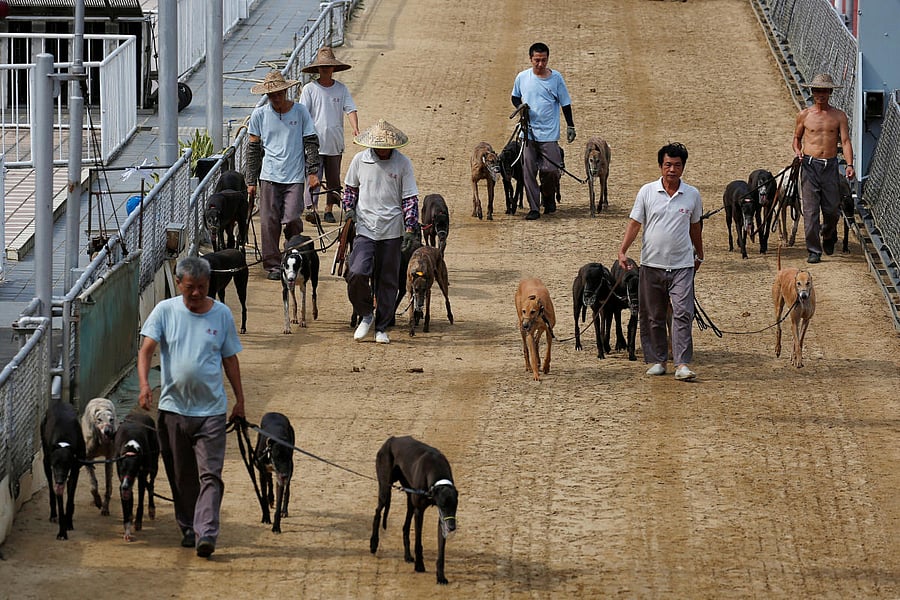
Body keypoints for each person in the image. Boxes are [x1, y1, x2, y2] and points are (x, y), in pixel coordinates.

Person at [137, 256, 246, 558]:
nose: (196, 294)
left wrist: (240, 400)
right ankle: (188, 525)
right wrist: (145, 385)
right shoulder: (164, 311)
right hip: (173, 410)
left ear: (208, 284)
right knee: (181, 474)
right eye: (189, 288)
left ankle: (206, 532)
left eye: (201, 287)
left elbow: (230, 359)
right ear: (178, 284)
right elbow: (146, 351)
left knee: (210, 475)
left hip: (211, 411)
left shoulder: (222, 315)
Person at [618, 142, 704, 382]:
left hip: (682, 266)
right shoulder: (647, 192)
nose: (672, 170)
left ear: (683, 167)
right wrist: (623, 250)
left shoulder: (692, 195)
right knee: (653, 314)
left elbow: (695, 227)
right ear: (660, 166)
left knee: (683, 312)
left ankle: (682, 363)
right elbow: (635, 223)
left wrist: (700, 253)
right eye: (668, 165)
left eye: (677, 165)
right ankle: (658, 360)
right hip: (651, 264)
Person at [342, 119, 419, 345]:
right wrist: (348, 211)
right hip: (365, 227)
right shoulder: (360, 160)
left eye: (387, 147)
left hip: (392, 229)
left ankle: (382, 326)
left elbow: (410, 198)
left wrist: (410, 227)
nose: (383, 151)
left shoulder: (403, 164)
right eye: (380, 147)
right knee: (356, 272)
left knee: (388, 280)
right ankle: (366, 313)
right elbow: (350, 190)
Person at [247, 71, 321, 280]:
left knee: (292, 219)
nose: (276, 99)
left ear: (285, 91)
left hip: (294, 176)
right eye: (271, 96)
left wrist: (313, 172)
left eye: (279, 94)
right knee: (269, 221)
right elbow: (253, 148)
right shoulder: (259, 114)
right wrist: (251, 181)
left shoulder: (300, 112)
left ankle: (292, 252)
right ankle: (272, 265)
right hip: (269, 175)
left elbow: (311, 141)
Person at [792, 72, 855, 264]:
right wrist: (798, 151)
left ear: (829, 93)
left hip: (830, 166)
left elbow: (845, 141)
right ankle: (813, 249)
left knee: (832, 209)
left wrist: (850, 164)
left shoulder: (839, 116)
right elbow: (796, 138)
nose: (821, 95)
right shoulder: (804, 115)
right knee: (810, 211)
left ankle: (828, 234)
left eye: (824, 91)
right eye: (817, 91)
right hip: (810, 166)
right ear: (812, 92)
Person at [510, 42, 576, 220]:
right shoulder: (522, 77)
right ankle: (533, 207)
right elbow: (515, 96)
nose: (540, 64)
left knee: (551, 170)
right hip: (528, 134)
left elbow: (565, 103)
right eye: (537, 60)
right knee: (528, 170)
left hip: (549, 134)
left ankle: (548, 197)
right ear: (531, 59)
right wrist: (520, 107)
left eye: (544, 60)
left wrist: (571, 125)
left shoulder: (556, 79)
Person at [300, 46, 360, 224]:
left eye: (328, 66)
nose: (326, 69)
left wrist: (355, 127)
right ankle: (311, 208)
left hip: (334, 141)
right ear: (318, 69)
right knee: (313, 176)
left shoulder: (341, 89)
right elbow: (303, 114)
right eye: (323, 67)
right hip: (314, 142)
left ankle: (329, 209)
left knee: (333, 179)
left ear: (333, 68)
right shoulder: (309, 89)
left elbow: (350, 109)